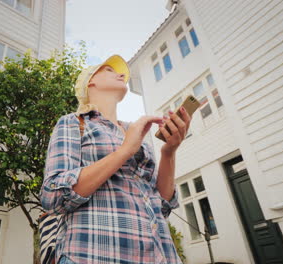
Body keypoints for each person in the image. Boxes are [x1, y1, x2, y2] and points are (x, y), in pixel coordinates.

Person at [40, 54, 191, 264]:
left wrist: (169, 152)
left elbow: (161, 205)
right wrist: (124, 151)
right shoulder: (73, 123)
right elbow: (53, 196)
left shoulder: (133, 131)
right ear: (90, 82)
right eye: (109, 70)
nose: (120, 74)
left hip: (159, 255)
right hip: (93, 256)